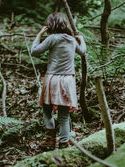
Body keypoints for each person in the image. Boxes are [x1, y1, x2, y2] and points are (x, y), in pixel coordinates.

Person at [31, 12, 86, 150]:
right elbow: (83, 52)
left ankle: (50, 139)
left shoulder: (52, 38)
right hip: (68, 80)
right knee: (64, 116)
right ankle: (64, 143)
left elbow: (34, 52)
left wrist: (39, 34)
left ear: (50, 25)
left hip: (53, 79)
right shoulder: (72, 40)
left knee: (47, 110)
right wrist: (81, 39)